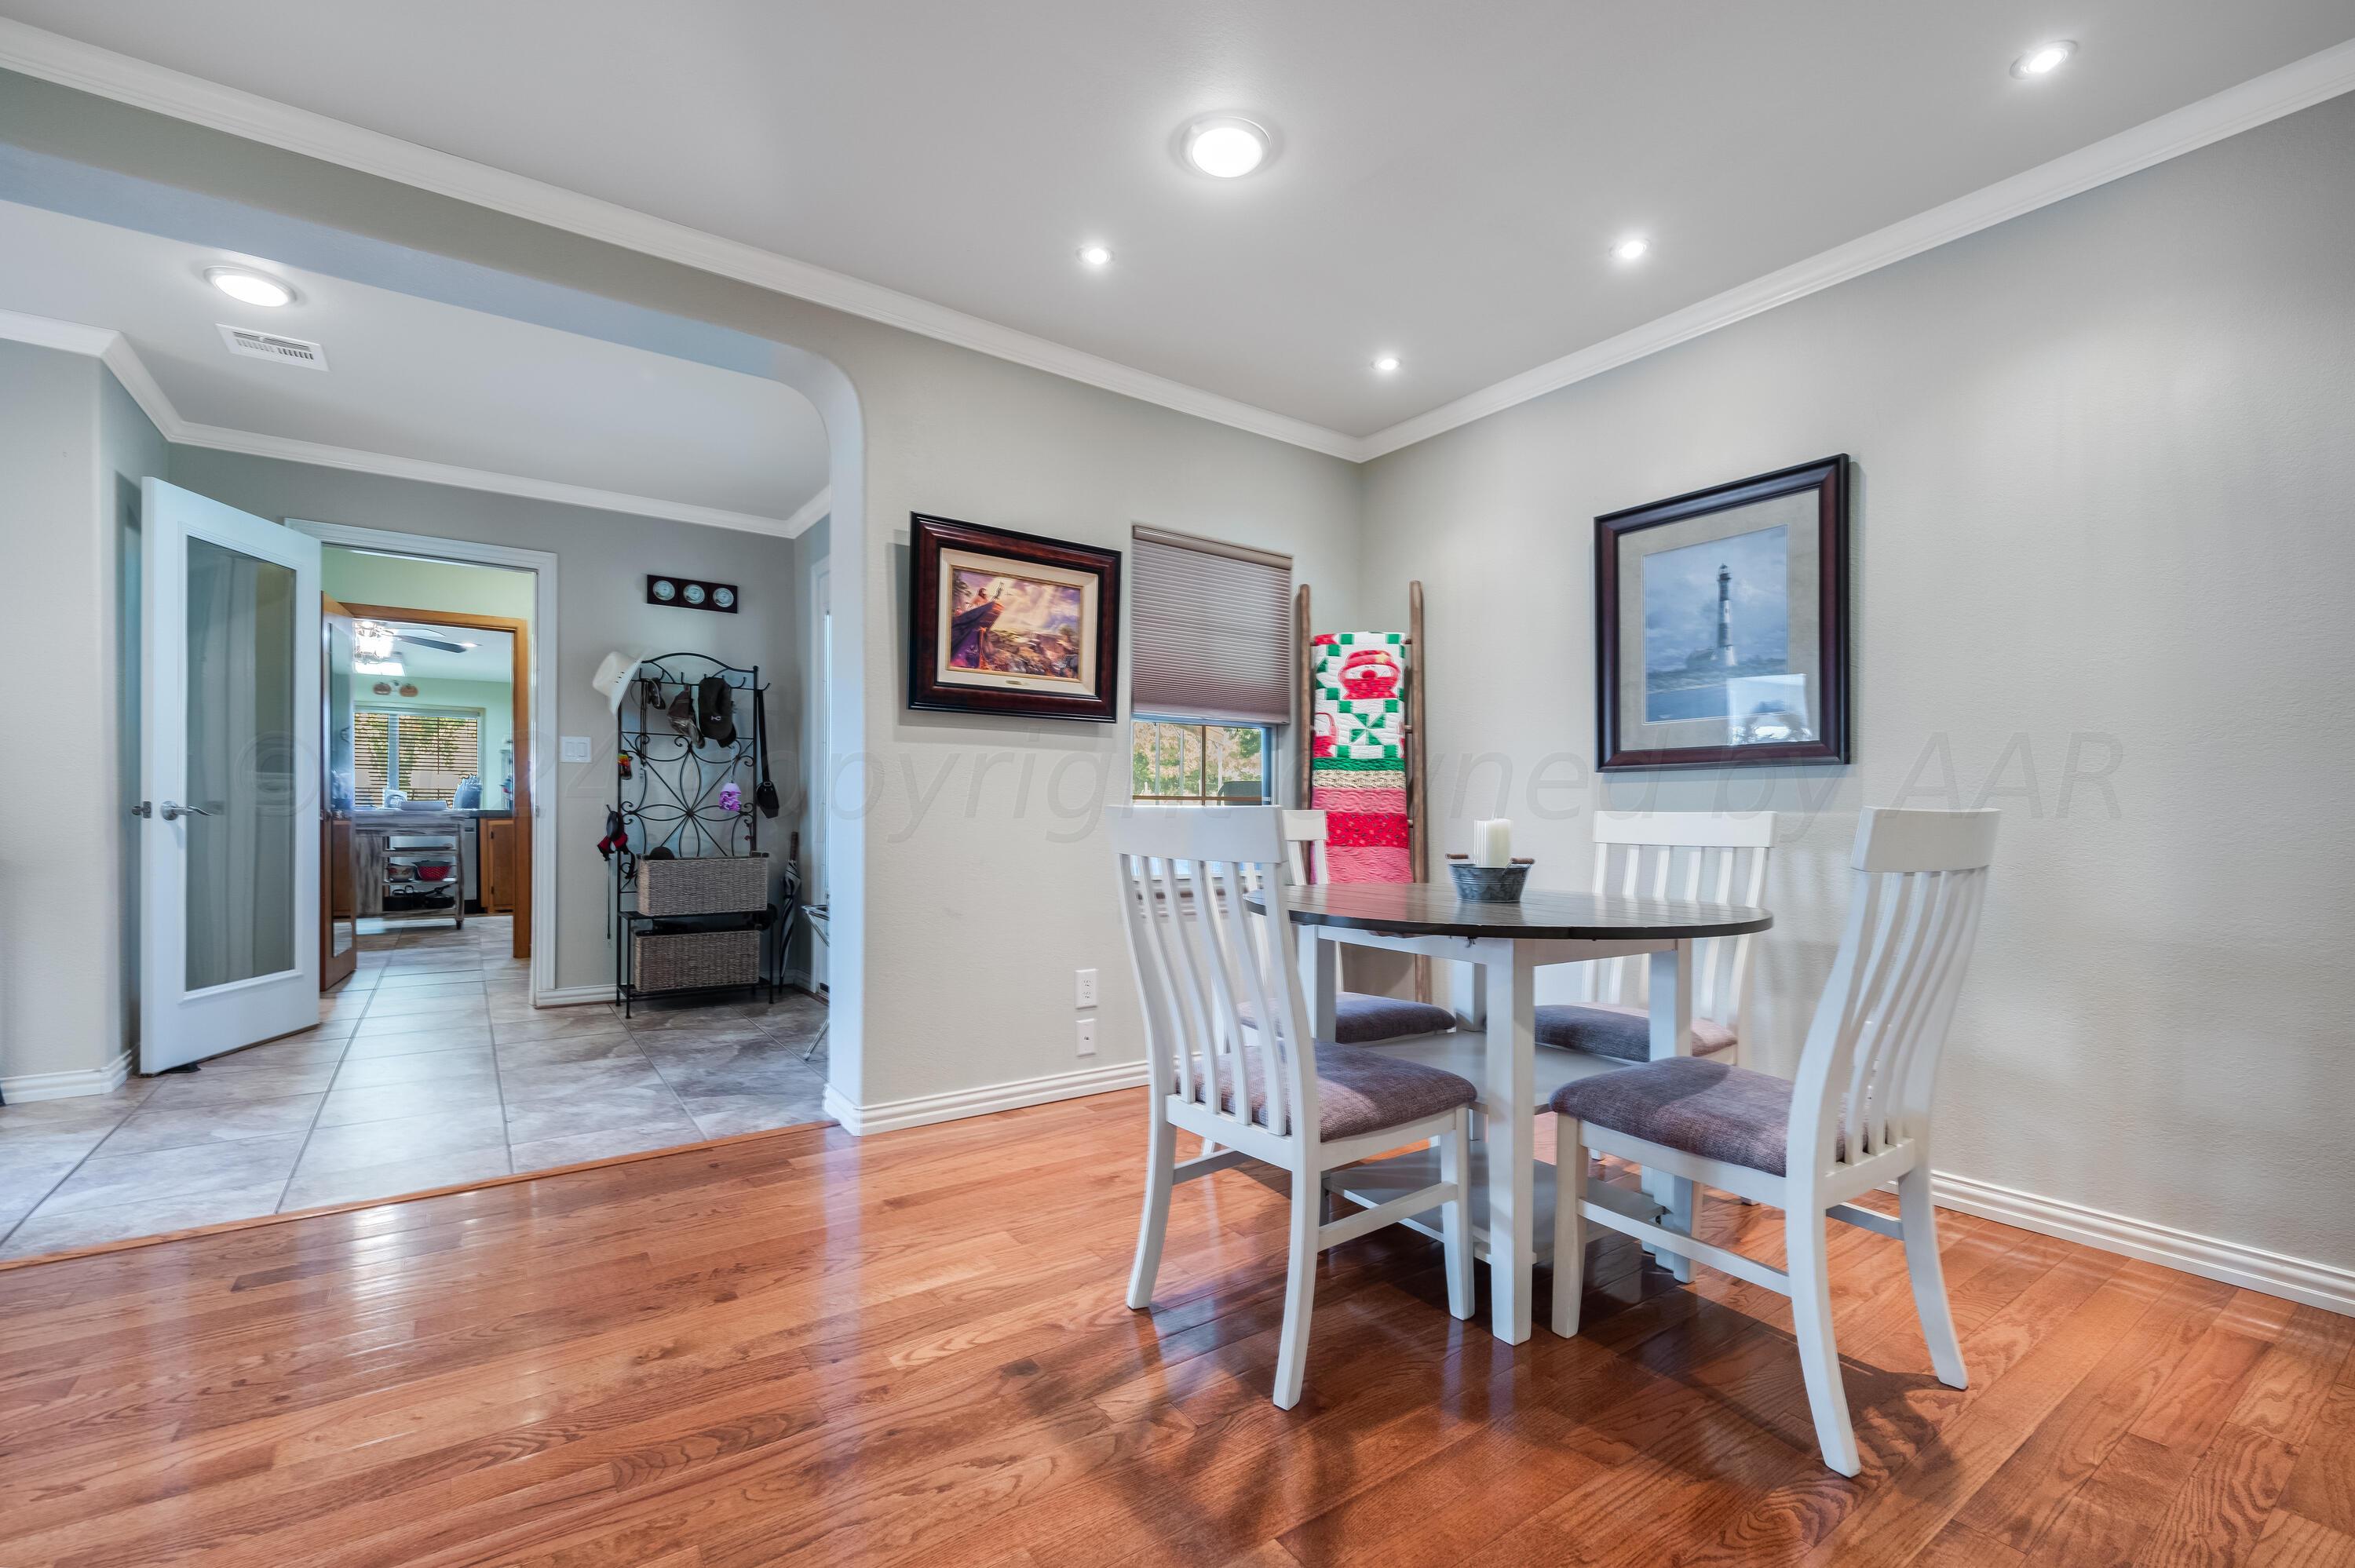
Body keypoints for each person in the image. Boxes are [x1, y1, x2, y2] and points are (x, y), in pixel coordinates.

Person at [950, 580, 1004, 668]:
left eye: (985, 591)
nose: (984, 592)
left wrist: (1000, 589)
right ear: (980, 591)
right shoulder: (977, 598)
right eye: (983, 591)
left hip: (980, 622)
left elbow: (994, 598)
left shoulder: (986, 600)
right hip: (976, 617)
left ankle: (980, 657)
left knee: (981, 639)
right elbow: (971, 606)